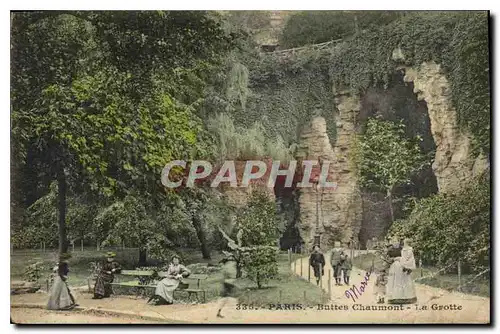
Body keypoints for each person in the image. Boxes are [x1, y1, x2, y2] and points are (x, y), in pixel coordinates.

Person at [386, 238, 417, 304]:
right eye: (393, 241)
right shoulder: (390, 250)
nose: (395, 243)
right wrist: (391, 260)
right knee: (394, 281)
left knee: (404, 281)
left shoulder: (403, 249)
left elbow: (407, 258)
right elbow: (388, 259)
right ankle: (394, 298)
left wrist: (407, 266)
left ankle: (407, 297)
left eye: (396, 241)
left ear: (399, 242)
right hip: (394, 268)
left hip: (402, 267)